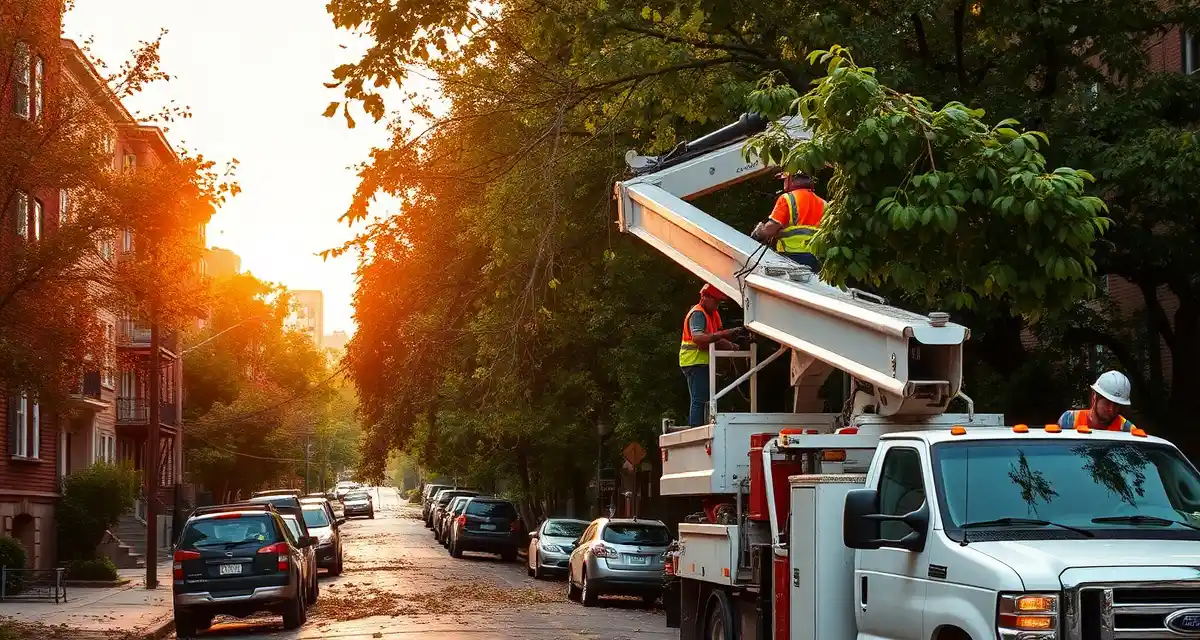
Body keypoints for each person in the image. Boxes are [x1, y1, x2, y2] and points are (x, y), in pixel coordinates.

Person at [680, 284, 746, 426]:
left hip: (703, 362)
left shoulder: (713, 314)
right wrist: (725, 335)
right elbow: (698, 338)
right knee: (699, 398)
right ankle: (695, 429)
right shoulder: (698, 313)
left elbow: (716, 337)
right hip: (693, 361)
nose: (717, 304)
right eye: (715, 301)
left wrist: (730, 344)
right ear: (704, 297)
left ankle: (700, 426)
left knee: (705, 397)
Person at [750, 172, 826, 271]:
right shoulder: (823, 203)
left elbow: (770, 229)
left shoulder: (787, 198)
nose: (784, 182)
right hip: (816, 258)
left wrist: (759, 231)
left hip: (791, 256)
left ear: (792, 179)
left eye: (785, 179)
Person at [1057, 370, 1137, 432]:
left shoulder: (1126, 429)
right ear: (1094, 396)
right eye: (1107, 403)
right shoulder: (1069, 420)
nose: (1111, 410)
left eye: (1116, 405)